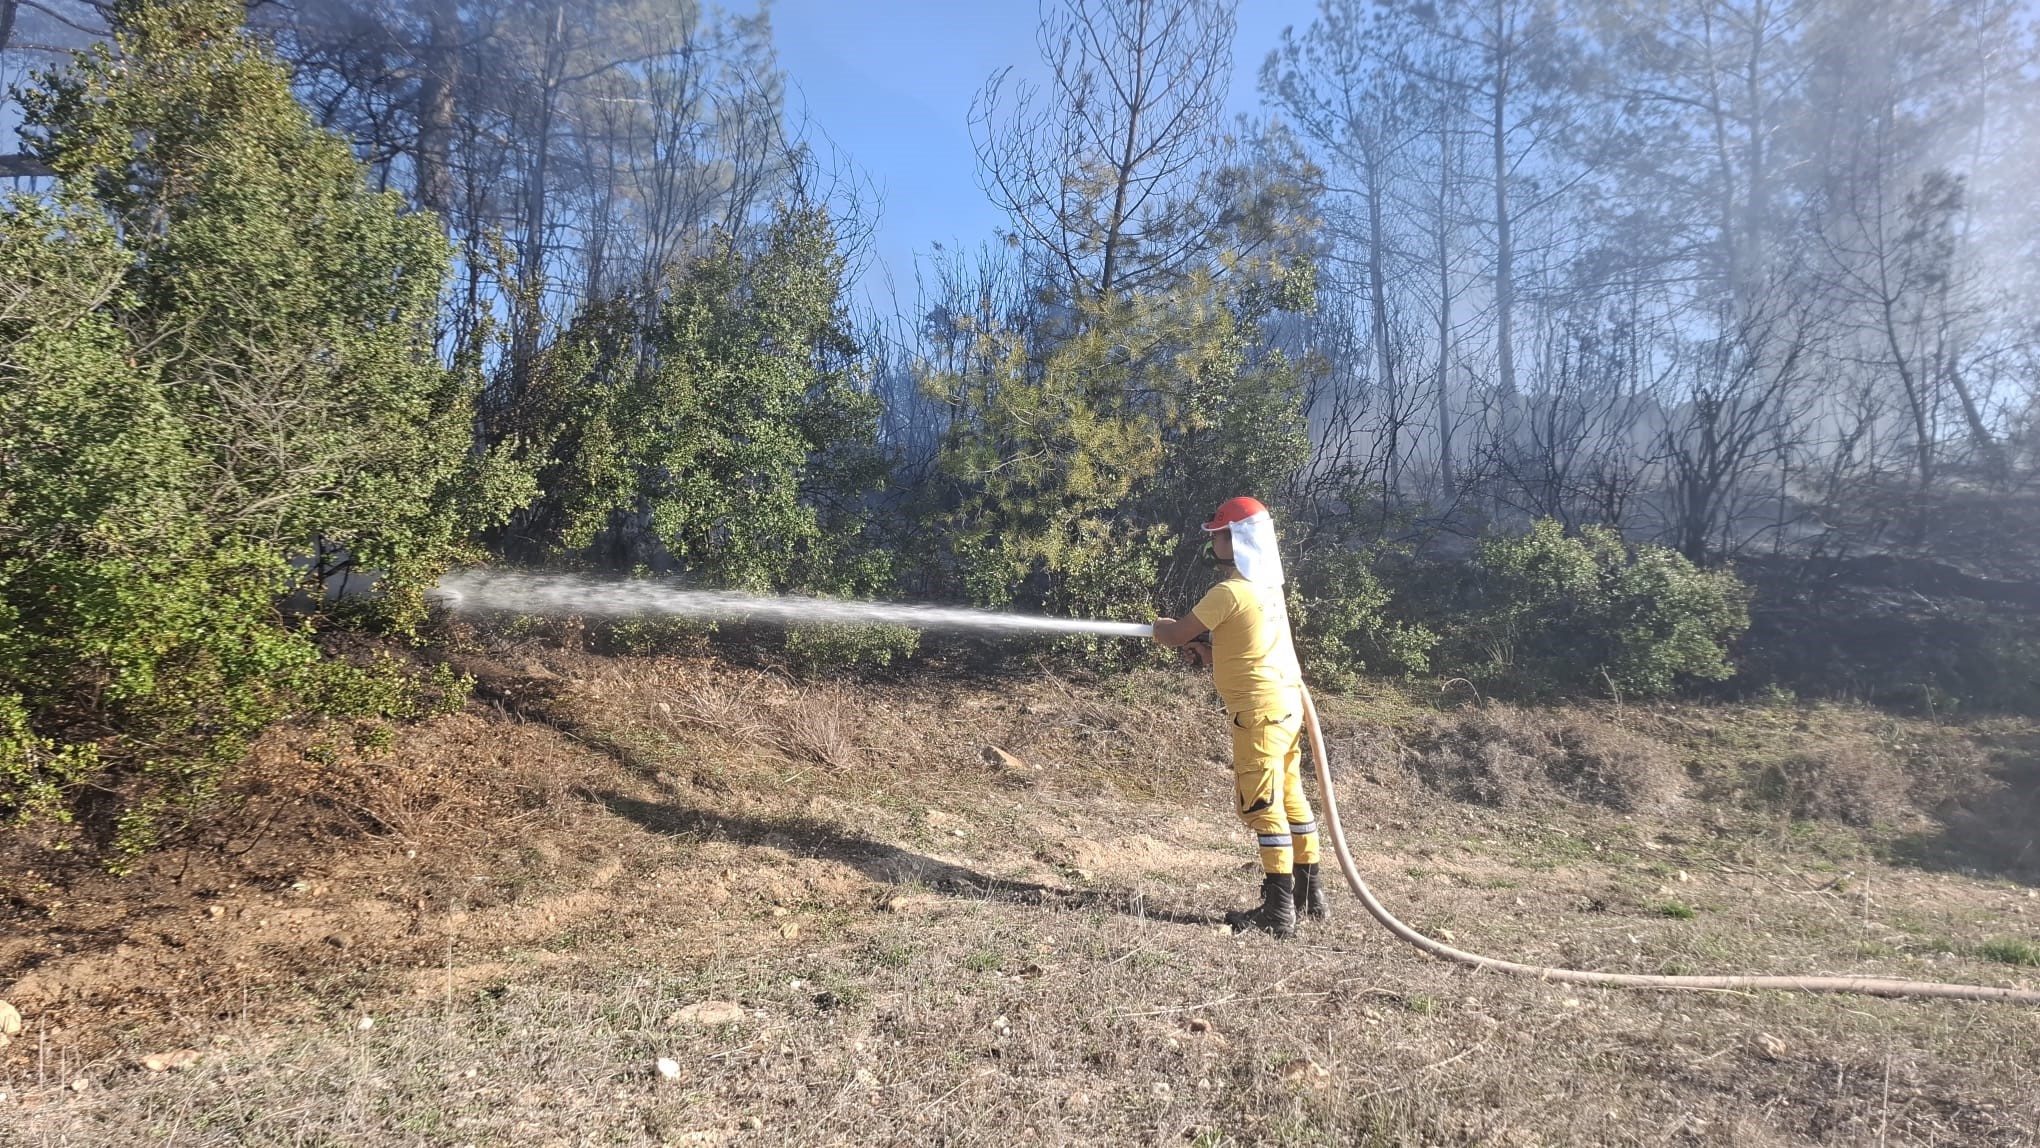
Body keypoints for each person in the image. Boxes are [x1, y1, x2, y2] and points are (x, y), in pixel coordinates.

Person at [1152, 497, 1331, 939]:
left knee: (1262, 806)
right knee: (1291, 797)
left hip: (1258, 714)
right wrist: (1209, 652)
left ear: (1236, 540)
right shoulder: (1267, 589)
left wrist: (1161, 628)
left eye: (1218, 534)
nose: (1213, 541)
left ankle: (1278, 911)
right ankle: (1310, 897)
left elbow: (1173, 634)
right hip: (1285, 704)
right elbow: (1254, 649)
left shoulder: (1228, 592)